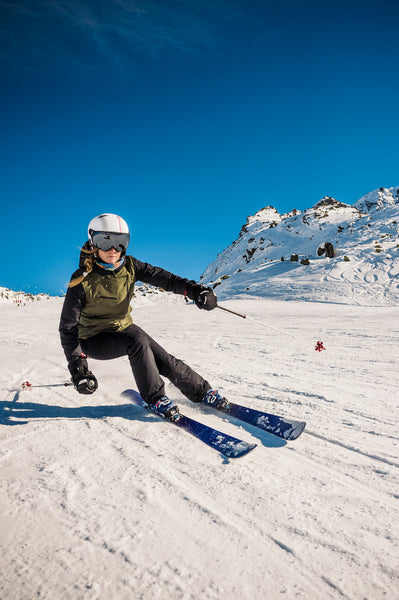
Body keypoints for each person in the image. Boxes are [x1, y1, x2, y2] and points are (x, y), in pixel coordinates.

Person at [59, 213, 228, 421]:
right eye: (105, 241)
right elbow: (68, 328)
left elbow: (165, 278)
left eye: (120, 243)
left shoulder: (130, 266)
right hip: (93, 339)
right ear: (93, 242)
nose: (113, 250)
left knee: (163, 359)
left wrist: (196, 291)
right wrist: (79, 369)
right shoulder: (81, 279)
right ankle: (155, 398)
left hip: (122, 328)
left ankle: (201, 391)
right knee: (137, 341)